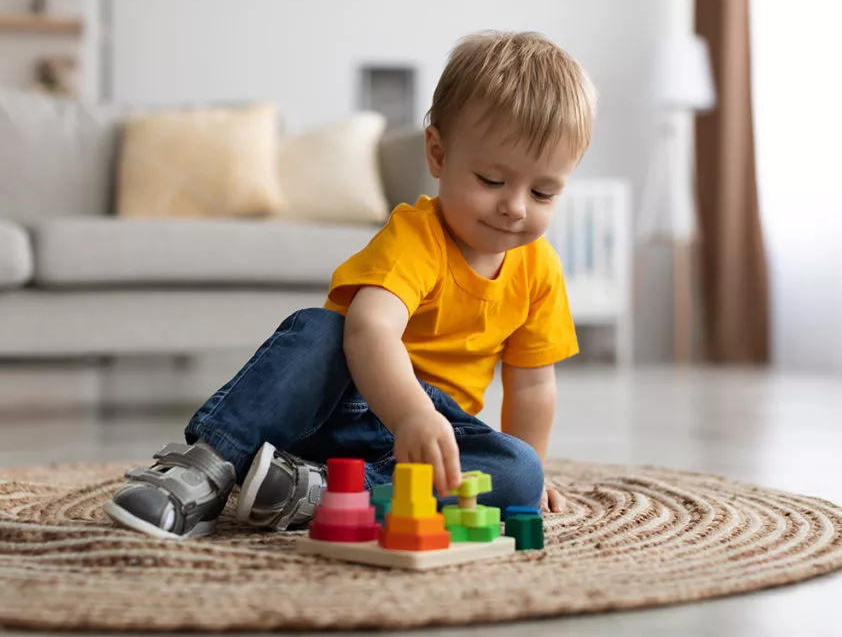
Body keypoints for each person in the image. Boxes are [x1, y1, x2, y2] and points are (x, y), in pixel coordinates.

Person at [103, 29, 597, 539]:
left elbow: (534, 384)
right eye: (492, 181)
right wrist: (409, 413)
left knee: (517, 470)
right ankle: (202, 471)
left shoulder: (540, 270)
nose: (515, 206)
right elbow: (371, 331)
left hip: (425, 446)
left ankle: (314, 493)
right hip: (347, 407)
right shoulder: (417, 238)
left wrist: (532, 475)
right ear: (438, 155)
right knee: (320, 330)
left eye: (542, 192)